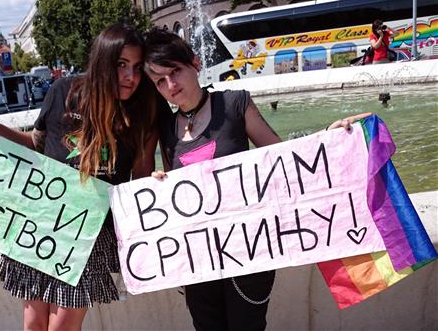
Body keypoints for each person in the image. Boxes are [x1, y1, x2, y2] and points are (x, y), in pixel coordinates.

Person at [143, 28, 369, 331]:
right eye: (160, 80)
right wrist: (161, 181)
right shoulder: (166, 128)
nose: (170, 84)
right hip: (199, 260)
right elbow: (174, 191)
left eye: (175, 71)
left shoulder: (235, 104)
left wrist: (326, 140)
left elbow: (282, 157)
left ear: (194, 63)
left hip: (248, 252)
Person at [0, 23, 166, 331]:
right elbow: (36, 144)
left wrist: (159, 184)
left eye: (137, 68)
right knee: (33, 324)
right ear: (102, 62)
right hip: (42, 219)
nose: (131, 77)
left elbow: (140, 174)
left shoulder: (143, 110)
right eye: (121, 65)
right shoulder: (64, 92)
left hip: (90, 230)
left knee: (63, 328)